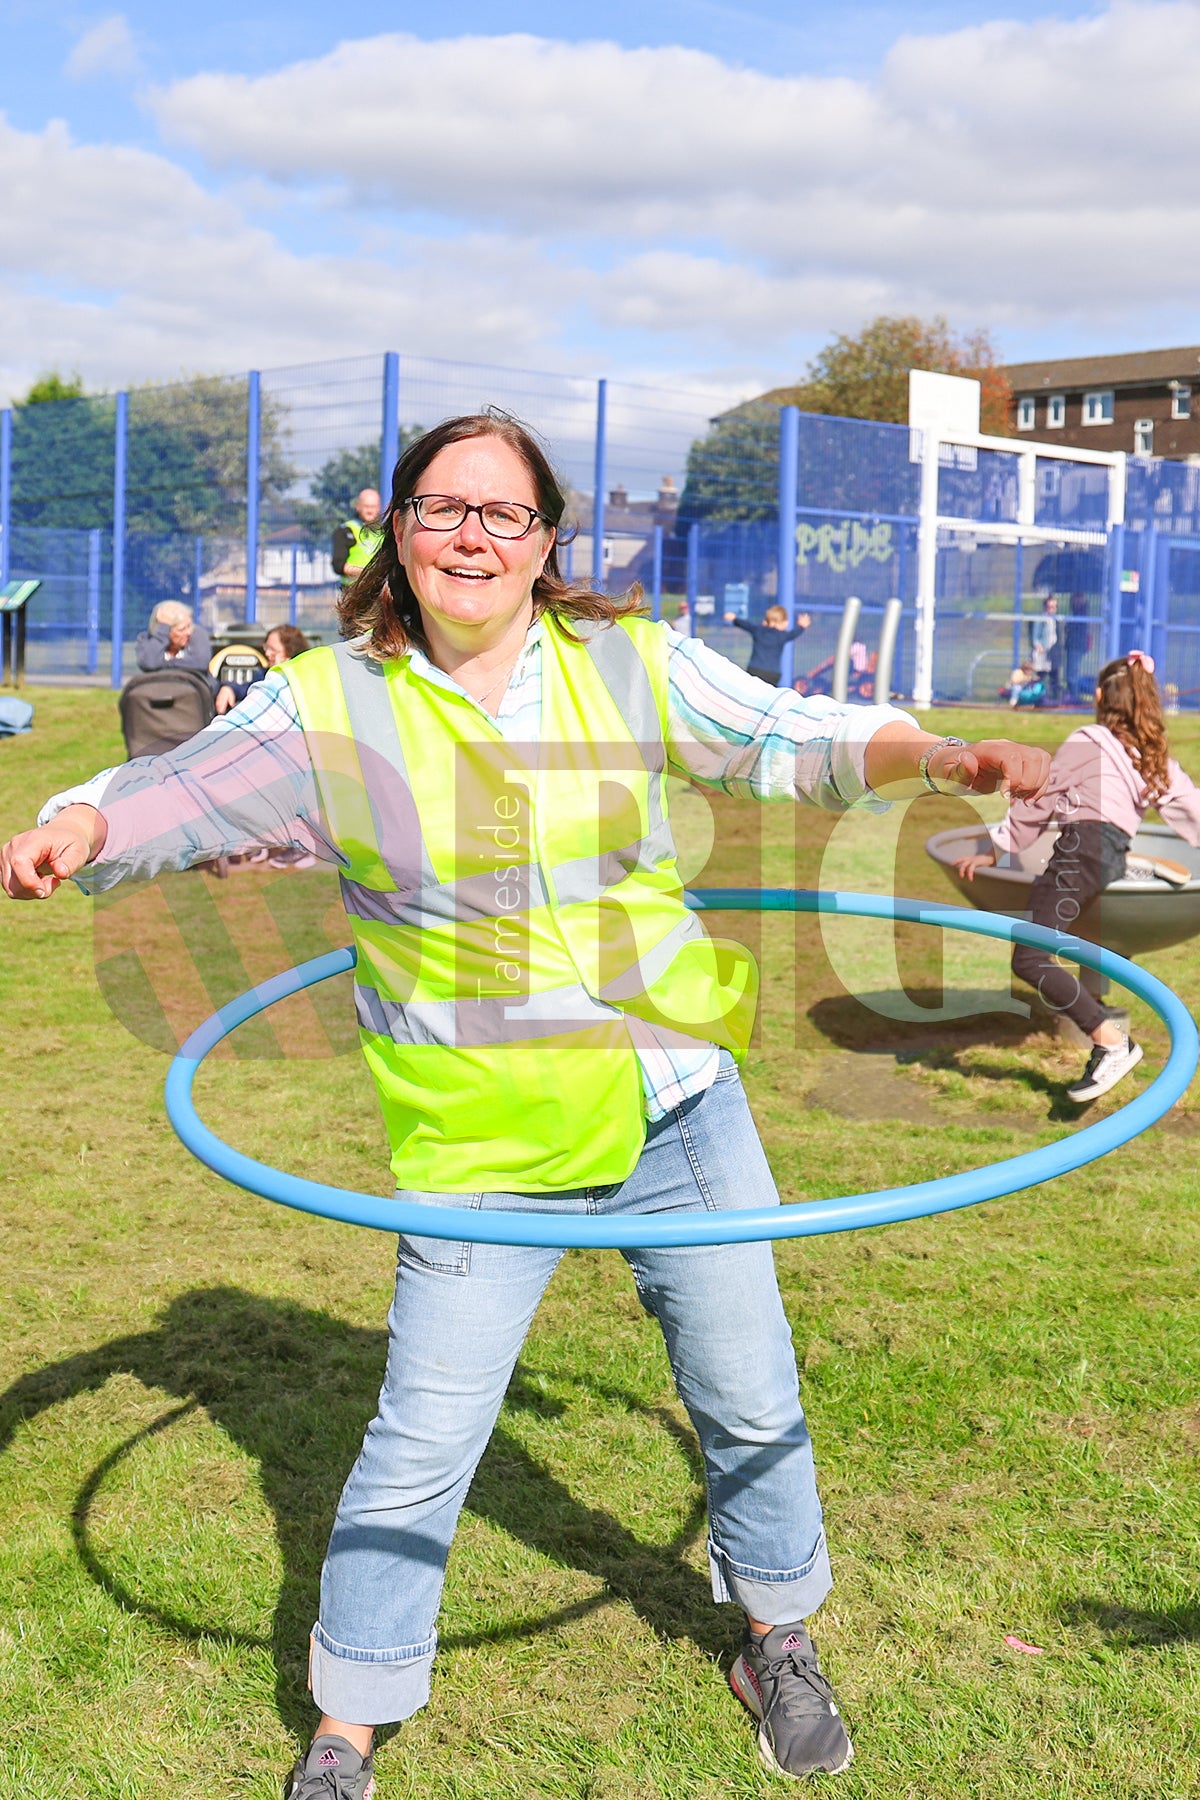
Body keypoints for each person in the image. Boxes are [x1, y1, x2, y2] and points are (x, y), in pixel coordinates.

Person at [1, 413, 1049, 1796]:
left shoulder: (627, 666)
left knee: (747, 1394)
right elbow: (183, 789)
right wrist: (78, 827)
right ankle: (349, 1724)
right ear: (399, 537)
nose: (473, 537)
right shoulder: (330, 703)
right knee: (424, 1440)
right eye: (444, 509)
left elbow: (789, 737)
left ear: (549, 541)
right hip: (484, 1136)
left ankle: (776, 1634)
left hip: (674, 1097)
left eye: (504, 514)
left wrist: (943, 760)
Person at [955, 650, 1200, 1103]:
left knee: (1030, 959)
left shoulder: (1089, 738)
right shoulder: (1148, 755)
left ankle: (1110, 1042)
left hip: (1080, 852)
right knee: (1039, 952)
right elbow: (1190, 806)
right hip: (1106, 855)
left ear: (1102, 695)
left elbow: (1040, 794)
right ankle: (1107, 1034)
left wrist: (997, 846)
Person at [214, 624, 311, 715]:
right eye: (266, 648)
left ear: (289, 652)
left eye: (273, 650)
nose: (267, 653)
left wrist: (280, 672)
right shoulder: (263, 674)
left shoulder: (305, 679)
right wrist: (229, 688)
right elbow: (246, 688)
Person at [724, 602, 811, 686]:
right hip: (773, 674)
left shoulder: (758, 630)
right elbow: (794, 633)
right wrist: (802, 626)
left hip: (755, 670)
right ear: (783, 623)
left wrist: (734, 618)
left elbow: (746, 625)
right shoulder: (782, 636)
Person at [134, 601, 212, 675]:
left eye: (189, 626)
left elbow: (200, 664)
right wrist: (163, 627)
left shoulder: (197, 634)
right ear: (164, 630)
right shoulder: (146, 640)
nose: (189, 632)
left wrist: (164, 664)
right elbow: (150, 663)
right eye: (182, 629)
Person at [332, 488, 384, 587]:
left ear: (379, 508)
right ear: (358, 506)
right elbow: (339, 565)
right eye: (366, 506)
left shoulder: (384, 532)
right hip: (352, 590)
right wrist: (367, 573)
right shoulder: (346, 530)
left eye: (373, 506)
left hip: (378, 589)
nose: (370, 510)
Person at [1030, 596, 1061, 704]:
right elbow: (1035, 637)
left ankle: (1055, 700)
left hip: (1053, 653)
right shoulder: (1041, 619)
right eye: (1049, 607)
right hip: (1042, 653)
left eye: (1054, 607)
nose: (1051, 609)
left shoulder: (1057, 619)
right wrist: (1039, 646)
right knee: (1041, 677)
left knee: (1055, 677)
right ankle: (1038, 700)